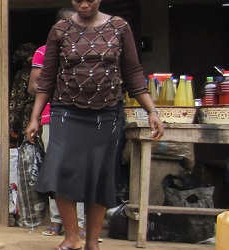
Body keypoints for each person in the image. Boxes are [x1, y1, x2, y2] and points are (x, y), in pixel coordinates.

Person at [25, 1, 164, 249]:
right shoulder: (60, 29)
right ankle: (71, 237)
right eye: (78, 0)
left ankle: (92, 242)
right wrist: (35, 117)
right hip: (65, 111)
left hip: (107, 113)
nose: (84, 4)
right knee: (61, 168)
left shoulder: (119, 27)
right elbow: (47, 78)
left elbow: (132, 73)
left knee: (98, 175)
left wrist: (151, 110)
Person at [27, 7, 89, 239]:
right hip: (52, 117)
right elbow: (34, 86)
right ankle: (56, 220)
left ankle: (79, 223)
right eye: (68, 23)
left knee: (79, 169)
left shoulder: (88, 51)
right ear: (57, 26)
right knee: (57, 168)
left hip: (83, 117)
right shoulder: (43, 52)